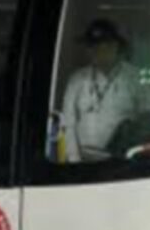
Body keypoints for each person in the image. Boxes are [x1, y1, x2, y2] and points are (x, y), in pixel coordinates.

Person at [60, 19, 144, 162]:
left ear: (117, 47)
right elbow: (68, 123)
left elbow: (146, 118)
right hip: (84, 158)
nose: (99, 51)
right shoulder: (77, 79)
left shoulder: (135, 77)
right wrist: (74, 160)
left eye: (105, 46)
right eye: (93, 47)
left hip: (123, 159)